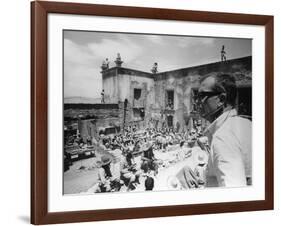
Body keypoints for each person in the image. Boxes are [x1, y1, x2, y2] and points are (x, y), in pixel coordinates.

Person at [197, 73, 252, 187]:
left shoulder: (223, 136)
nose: (197, 101)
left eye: (202, 96)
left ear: (221, 100)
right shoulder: (247, 124)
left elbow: (233, 198)